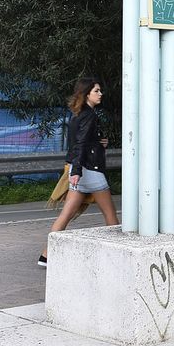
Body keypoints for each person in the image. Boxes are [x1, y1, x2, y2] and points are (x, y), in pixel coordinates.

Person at [39, 76, 119, 267]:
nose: (101, 94)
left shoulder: (77, 114)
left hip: (79, 171)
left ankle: (46, 256)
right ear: (86, 94)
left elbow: (80, 141)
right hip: (89, 170)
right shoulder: (90, 115)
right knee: (110, 214)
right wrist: (77, 170)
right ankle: (119, 254)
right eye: (96, 91)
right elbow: (81, 144)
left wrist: (100, 142)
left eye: (100, 90)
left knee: (65, 215)